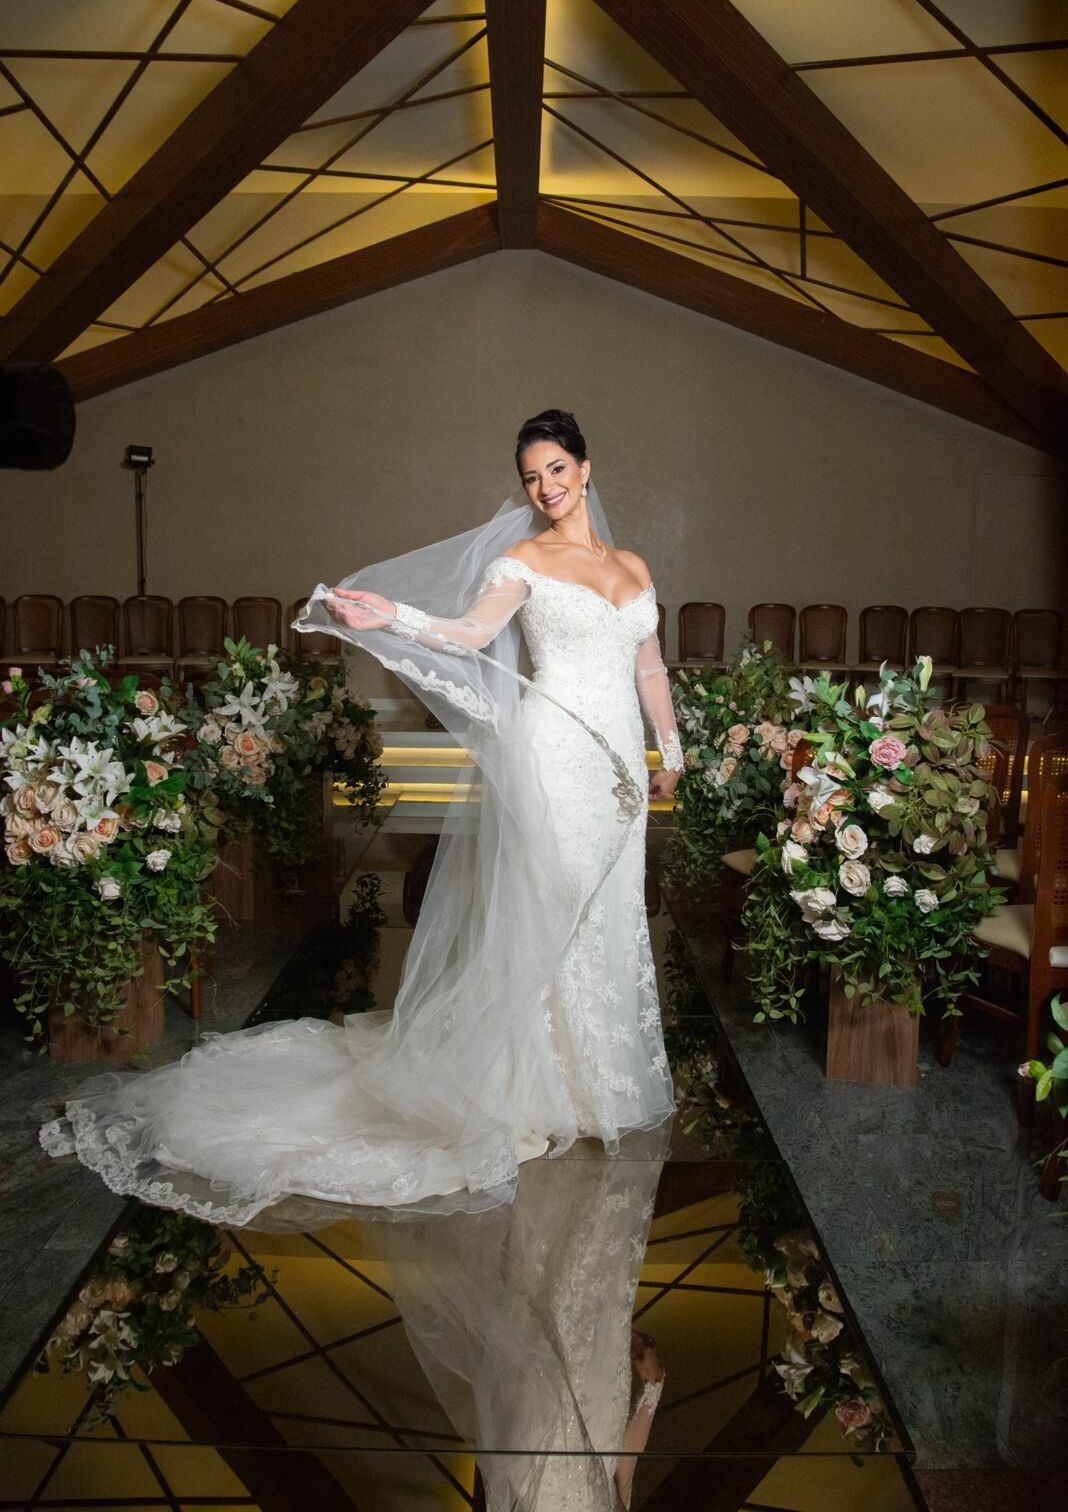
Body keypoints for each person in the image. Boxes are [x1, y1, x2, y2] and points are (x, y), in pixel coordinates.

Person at [40, 411, 682, 1224]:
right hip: (556, 758)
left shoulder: (631, 565)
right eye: (531, 476)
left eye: (557, 469)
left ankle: (598, 1082)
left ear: (587, 469)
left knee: (605, 912)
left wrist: (672, 752)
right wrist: (396, 619)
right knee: (546, 910)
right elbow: (470, 633)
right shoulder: (523, 559)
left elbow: (650, 665)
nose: (546, 488)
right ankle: (535, 1087)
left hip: (621, 765)